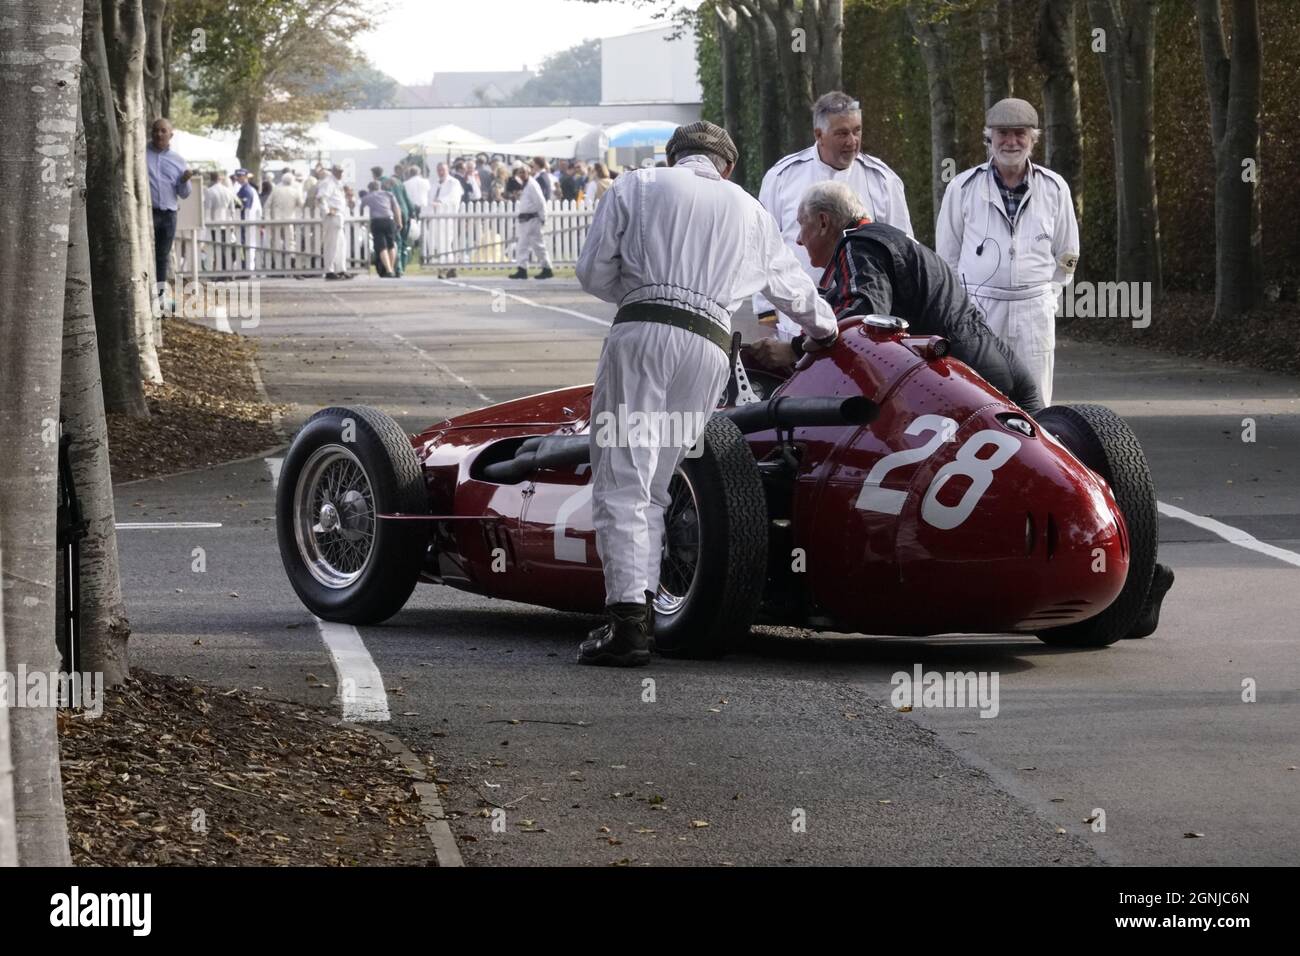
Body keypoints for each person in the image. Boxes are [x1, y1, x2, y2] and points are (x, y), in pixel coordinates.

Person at [573, 121, 840, 667]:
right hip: (709, 348)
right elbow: (794, 291)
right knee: (658, 481)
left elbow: (593, 273)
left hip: (643, 333)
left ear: (675, 157)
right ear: (727, 167)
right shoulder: (750, 210)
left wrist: (645, 292)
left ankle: (628, 621)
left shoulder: (636, 185)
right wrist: (828, 332)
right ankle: (639, 615)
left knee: (624, 474)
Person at [749, 181, 1045, 414]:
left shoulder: (856, 244)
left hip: (968, 375)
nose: (799, 239)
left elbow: (861, 320)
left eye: (802, 224)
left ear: (824, 222)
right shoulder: (886, 237)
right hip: (998, 363)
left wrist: (795, 349)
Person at [936, 97, 1081, 408]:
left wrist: (1049, 295)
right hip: (980, 309)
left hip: (1034, 310)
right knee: (980, 398)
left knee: (1035, 400)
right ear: (989, 137)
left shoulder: (1054, 188)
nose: (1011, 141)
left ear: (1033, 139)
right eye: (1003, 133)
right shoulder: (962, 187)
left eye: (1020, 133)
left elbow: (1069, 254)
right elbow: (946, 258)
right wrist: (961, 307)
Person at [754, 91, 913, 342]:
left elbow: (903, 250)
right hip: (796, 318)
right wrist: (766, 315)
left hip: (865, 323)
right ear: (819, 135)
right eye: (842, 133)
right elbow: (763, 248)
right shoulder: (782, 178)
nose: (852, 141)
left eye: (857, 130)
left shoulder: (882, 180)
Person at [145, 118, 193, 295]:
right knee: (144, 253)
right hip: (148, 213)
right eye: (155, 130)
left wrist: (185, 181)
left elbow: (184, 193)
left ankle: (160, 294)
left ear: (170, 135)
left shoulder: (178, 160)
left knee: (162, 256)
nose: (159, 134)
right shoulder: (141, 154)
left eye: (163, 131)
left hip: (169, 215)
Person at [508, 163, 552, 280]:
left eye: (523, 172)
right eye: (520, 172)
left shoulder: (532, 185)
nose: (521, 174)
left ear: (528, 173)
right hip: (525, 220)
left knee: (538, 245)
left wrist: (543, 218)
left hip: (533, 219)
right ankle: (522, 269)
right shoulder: (525, 185)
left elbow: (540, 202)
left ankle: (546, 268)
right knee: (523, 245)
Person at [424, 162, 463, 278]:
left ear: (448, 170)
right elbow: (430, 198)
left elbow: (453, 197)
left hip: (447, 216)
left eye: (443, 170)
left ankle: (445, 268)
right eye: (439, 170)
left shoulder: (454, 183)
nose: (441, 172)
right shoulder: (435, 184)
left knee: (446, 242)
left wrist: (440, 202)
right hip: (434, 217)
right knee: (438, 243)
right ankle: (449, 267)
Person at [315, 166, 351, 279]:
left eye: (342, 171)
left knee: (340, 244)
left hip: (339, 215)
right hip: (333, 216)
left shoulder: (338, 183)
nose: (341, 173)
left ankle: (341, 269)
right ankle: (329, 270)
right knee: (331, 244)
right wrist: (326, 211)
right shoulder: (328, 182)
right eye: (339, 171)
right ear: (334, 171)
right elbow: (321, 197)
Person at [361, 179, 401, 277]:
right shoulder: (389, 194)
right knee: (391, 245)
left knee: (382, 246)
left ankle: (388, 270)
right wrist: (399, 222)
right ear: (379, 187)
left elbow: (361, 211)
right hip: (389, 220)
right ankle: (391, 268)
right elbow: (396, 208)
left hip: (376, 221)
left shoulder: (366, 198)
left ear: (369, 189)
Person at [266, 170, 304, 270]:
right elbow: (301, 205)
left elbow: (267, 204)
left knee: (276, 242)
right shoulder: (295, 192)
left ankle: (277, 264)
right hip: (289, 220)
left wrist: (267, 217)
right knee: (290, 242)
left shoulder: (276, 190)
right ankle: (291, 261)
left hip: (276, 221)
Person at [202, 170, 238, 271]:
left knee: (218, 249)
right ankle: (228, 269)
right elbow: (232, 209)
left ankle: (220, 270)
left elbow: (207, 209)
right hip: (227, 223)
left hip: (215, 225)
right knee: (227, 248)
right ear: (219, 179)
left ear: (211, 179)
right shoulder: (228, 191)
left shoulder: (210, 191)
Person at [232, 168, 262, 271]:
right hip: (246, 222)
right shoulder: (245, 189)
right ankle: (246, 267)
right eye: (238, 177)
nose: (239, 179)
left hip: (245, 222)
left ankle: (246, 268)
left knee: (245, 246)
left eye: (241, 177)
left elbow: (244, 207)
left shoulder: (246, 190)